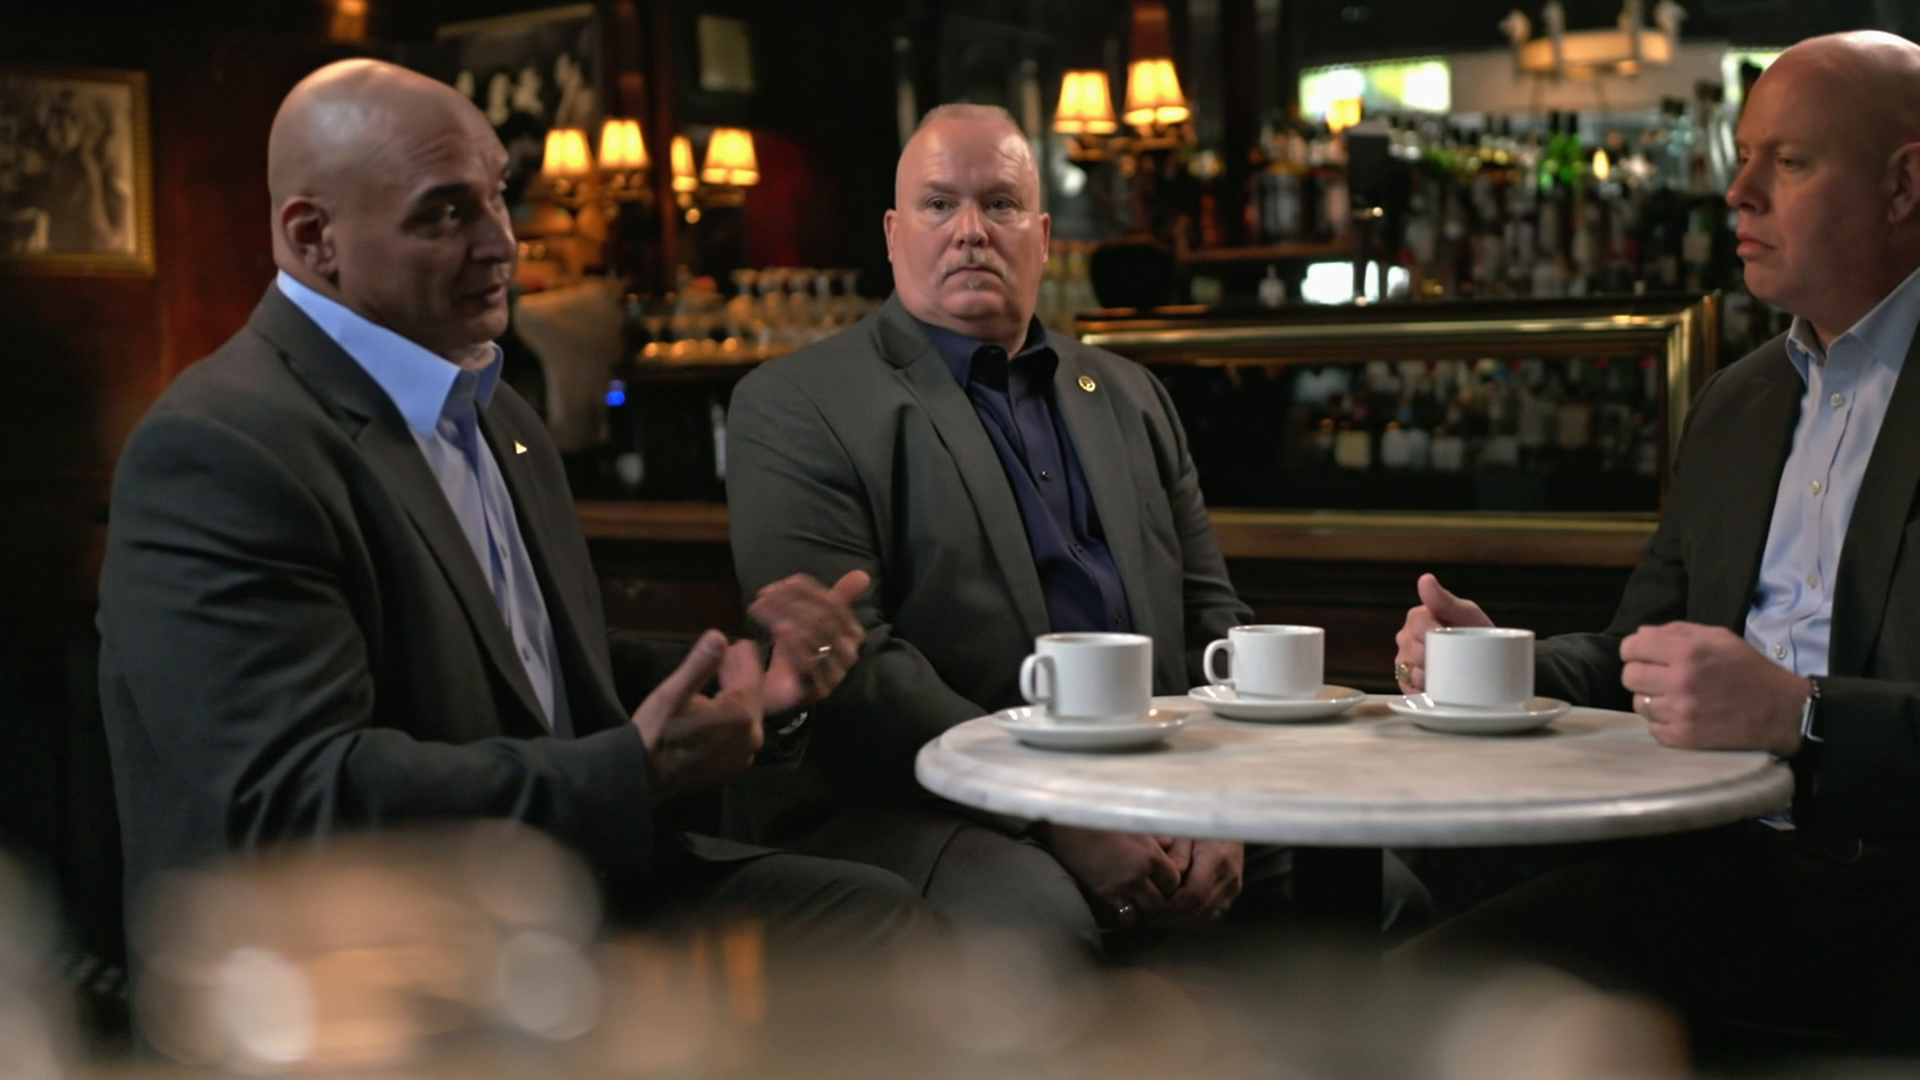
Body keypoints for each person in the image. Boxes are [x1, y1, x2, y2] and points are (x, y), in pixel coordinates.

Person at [96, 59, 925, 950]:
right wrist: (630, 770)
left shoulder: (497, 410)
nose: (502, 244)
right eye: (446, 213)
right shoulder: (222, 449)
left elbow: (534, 674)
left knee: (883, 917)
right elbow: (295, 799)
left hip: (555, 894)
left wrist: (748, 678)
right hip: (377, 957)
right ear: (313, 236)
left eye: (497, 196)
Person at [725, 104, 1419, 950]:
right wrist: (1052, 810)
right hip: (928, 802)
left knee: (1375, 889)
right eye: (939, 204)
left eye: (1001, 204)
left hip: (1160, 775)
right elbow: (855, 670)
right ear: (894, 234)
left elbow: (1213, 619)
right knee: (1042, 922)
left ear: (1044, 236)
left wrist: (1229, 799)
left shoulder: (1130, 393)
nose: (971, 231)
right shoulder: (797, 403)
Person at [1392, 32, 1920, 1045]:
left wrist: (1804, 717)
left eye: (1789, 162)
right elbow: (1639, 655)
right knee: (1396, 1010)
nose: (1739, 193)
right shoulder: (1737, 403)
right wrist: (1504, 668)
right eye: (1745, 155)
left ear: (1904, 185)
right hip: (1706, 872)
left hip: (1892, 906)